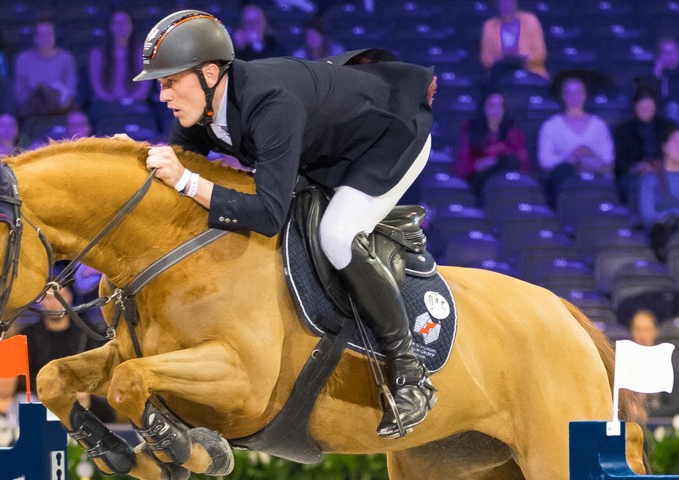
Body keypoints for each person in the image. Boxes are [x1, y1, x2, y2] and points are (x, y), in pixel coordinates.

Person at [134, 10, 439, 437]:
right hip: (326, 149)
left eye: (169, 82)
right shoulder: (204, 105)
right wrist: (136, 162)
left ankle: (409, 372)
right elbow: (178, 167)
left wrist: (186, 180)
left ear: (209, 74)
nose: (162, 95)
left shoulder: (270, 102)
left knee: (337, 235)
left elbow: (267, 215)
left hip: (387, 142)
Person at [537, 72, 614, 187]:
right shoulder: (550, 125)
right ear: (563, 96)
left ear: (585, 95)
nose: (574, 97)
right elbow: (545, 161)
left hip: (596, 179)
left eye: (578, 92)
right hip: (564, 181)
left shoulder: (599, 125)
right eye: (569, 93)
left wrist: (589, 153)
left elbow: (608, 159)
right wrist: (570, 157)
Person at [455, 92, 530, 186]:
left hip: (508, 179)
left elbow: (523, 163)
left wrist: (498, 158)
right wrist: (476, 165)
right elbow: (461, 167)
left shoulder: (513, 132)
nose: (497, 110)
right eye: (492, 106)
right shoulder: (470, 130)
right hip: (481, 179)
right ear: (483, 108)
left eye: (500, 106)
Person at [12, 20, 78, 117]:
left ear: (54, 36)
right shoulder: (22, 59)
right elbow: (20, 93)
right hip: (33, 108)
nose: (45, 39)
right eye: (41, 35)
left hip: (59, 108)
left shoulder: (66, 58)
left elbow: (70, 89)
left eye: (48, 34)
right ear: (35, 38)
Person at [613, 92, 679, 188]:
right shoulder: (623, 130)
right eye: (642, 107)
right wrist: (637, 167)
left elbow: (676, 153)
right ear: (635, 107)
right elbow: (619, 162)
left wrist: (660, 165)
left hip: (665, 171)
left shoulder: (667, 127)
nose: (646, 111)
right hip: (634, 176)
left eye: (649, 107)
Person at [88, 10, 150, 108]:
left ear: (131, 26)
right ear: (110, 26)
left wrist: (131, 100)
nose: (121, 26)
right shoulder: (97, 53)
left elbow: (145, 85)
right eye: (117, 23)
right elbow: (96, 85)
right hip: (105, 104)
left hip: (135, 102)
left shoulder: (142, 52)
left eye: (125, 22)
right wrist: (110, 100)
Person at [638, 37, 679, 126]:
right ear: (659, 55)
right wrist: (656, 75)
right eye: (666, 52)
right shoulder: (652, 76)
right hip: (657, 120)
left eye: (673, 52)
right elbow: (647, 100)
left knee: (673, 107)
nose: (671, 55)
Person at [478, 0, 547, 79]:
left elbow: (540, 54)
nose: (506, 5)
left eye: (509, 2)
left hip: (531, 72)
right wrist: (501, 60)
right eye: (502, 2)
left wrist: (520, 59)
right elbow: (485, 59)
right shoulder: (489, 25)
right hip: (500, 74)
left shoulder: (530, 20)